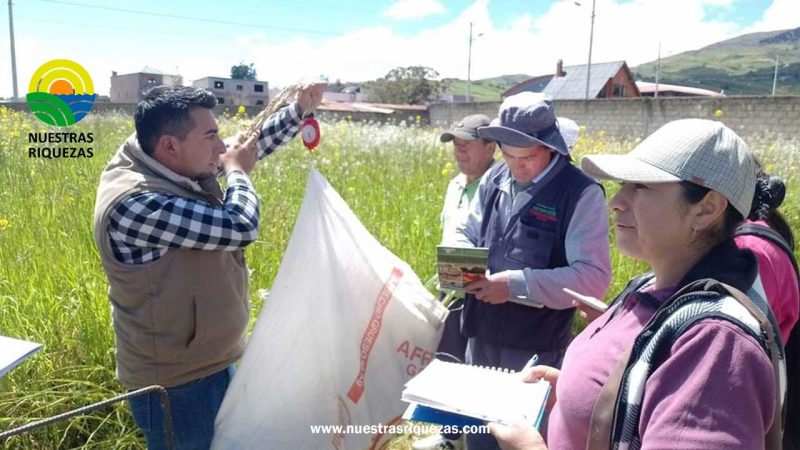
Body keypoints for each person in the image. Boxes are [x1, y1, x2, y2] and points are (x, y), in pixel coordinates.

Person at [489, 118, 785, 450]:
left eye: (640, 186)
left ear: (706, 209)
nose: (615, 202)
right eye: (622, 185)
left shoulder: (716, 344)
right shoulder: (647, 287)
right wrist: (576, 394)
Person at [92, 83, 324, 449]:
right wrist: (238, 174)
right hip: (176, 387)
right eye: (211, 135)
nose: (219, 146)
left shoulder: (163, 156)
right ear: (170, 145)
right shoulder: (134, 204)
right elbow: (240, 226)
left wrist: (297, 111)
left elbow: (234, 152)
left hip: (210, 361)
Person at [449, 92, 612, 450]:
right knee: (479, 434)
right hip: (479, 335)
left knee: (519, 438)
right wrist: (460, 253)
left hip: (534, 348)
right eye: (509, 156)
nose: (516, 167)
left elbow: (592, 278)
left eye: (528, 158)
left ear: (550, 147)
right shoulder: (494, 178)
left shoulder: (581, 194)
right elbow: (466, 228)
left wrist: (514, 285)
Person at [414, 116, 497, 450]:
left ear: (490, 147)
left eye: (467, 144)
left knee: (475, 367)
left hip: (482, 290)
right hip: (449, 287)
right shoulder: (455, 185)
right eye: (456, 144)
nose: (459, 151)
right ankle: (450, 435)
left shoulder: (497, 186)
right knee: (447, 359)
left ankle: (475, 436)